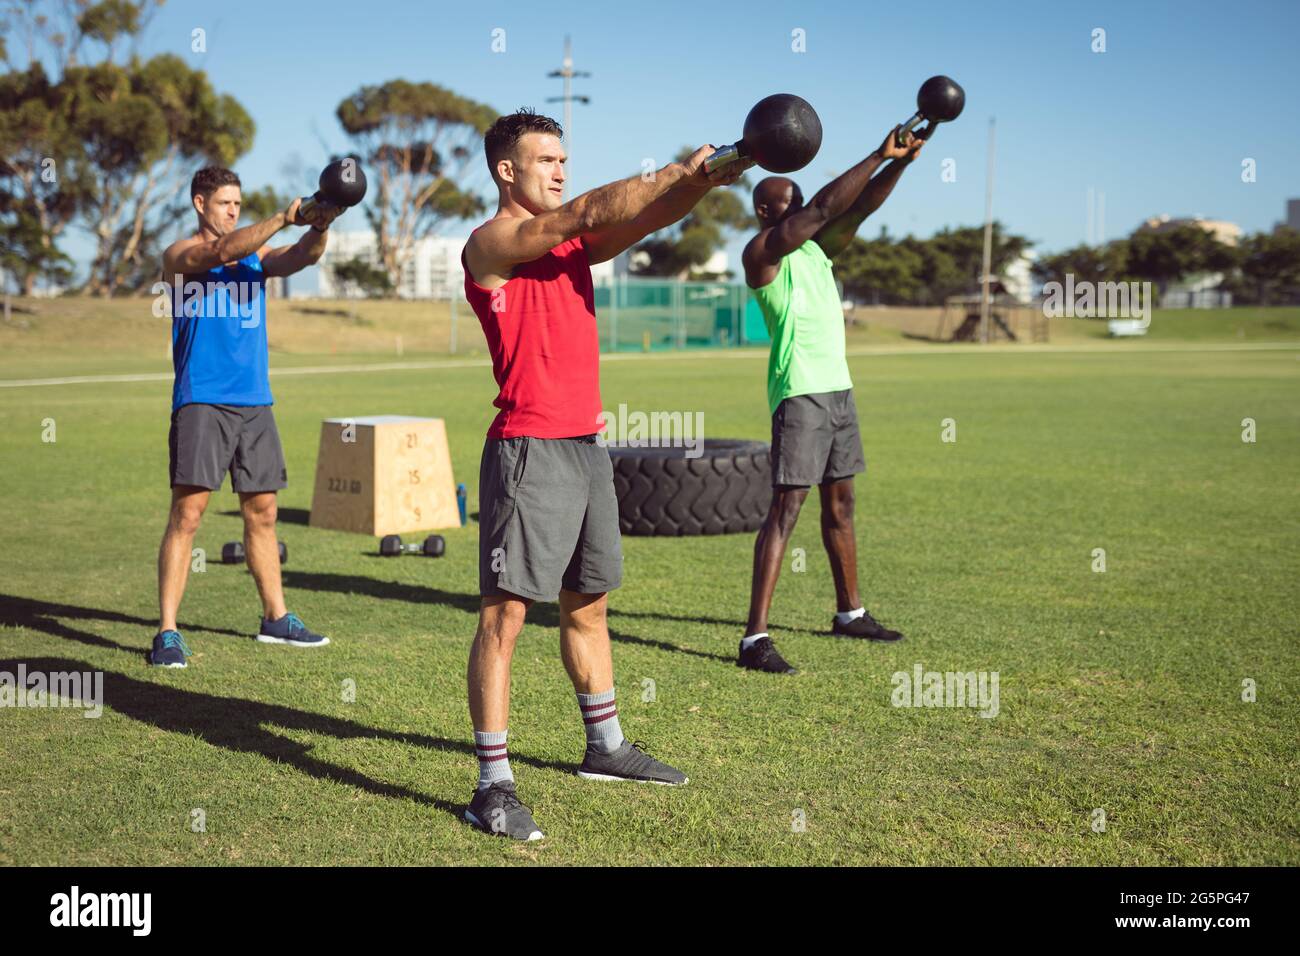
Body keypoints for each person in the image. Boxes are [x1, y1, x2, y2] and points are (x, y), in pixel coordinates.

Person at [460, 109, 750, 840]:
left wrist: (711, 178)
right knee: (505, 617)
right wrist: (678, 169)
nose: (561, 171)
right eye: (546, 160)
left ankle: (606, 746)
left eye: (565, 159)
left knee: (588, 605)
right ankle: (492, 784)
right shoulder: (494, 243)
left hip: (587, 447)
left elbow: (644, 219)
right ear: (506, 170)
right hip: (528, 448)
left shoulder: (570, 247)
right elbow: (591, 209)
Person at [736, 124, 931, 675]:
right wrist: (875, 151)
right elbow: (823, 208)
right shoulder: (762, 255)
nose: (795, 203)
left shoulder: (819, 253)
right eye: (785, 201)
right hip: (798, 393)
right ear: (765, 211)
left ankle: (850, 613)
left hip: (839, 392)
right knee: (785, 511)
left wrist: (902, 161)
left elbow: (856, 207)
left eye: (797, 197)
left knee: (841, 505)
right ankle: (755, 639)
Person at [150, 166, 341, 668]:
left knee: (264, 512)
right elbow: (218, 252)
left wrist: (318, 226)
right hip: (202, 398)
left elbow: (299, 258)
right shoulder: (178, 257)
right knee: (187, 515)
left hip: (255, 400)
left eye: (238, 203)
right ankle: (168, 631)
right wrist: (283, 215)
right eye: (225, 203)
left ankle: (275, 619)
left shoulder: (254, 256)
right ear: (199, 203)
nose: (233, 210)